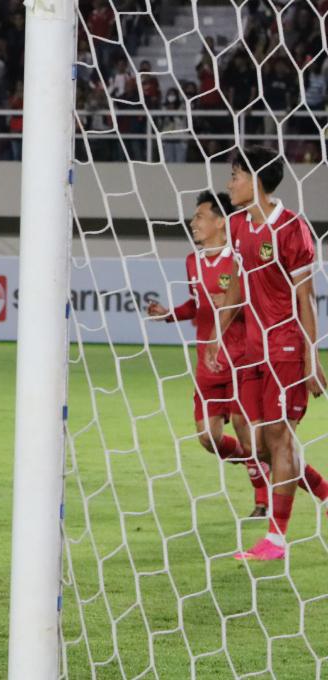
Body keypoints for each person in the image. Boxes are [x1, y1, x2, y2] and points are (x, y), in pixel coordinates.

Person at [216, 146, 328, 561]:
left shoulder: (292, 228)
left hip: (284, 347)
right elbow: (236, 285)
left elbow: (307, 297)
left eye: (236, 175)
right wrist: (218, 333)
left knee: (279, 440)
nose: (230, 184)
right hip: (251, 350)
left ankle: (275, 540)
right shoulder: (238, 227)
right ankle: (324, 491)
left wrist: (310, 356)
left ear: (256, 180)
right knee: (259, 445)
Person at [146, 192, 269, 517]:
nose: (193, 222)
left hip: (241, 360)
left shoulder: (239, 259)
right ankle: (257, 462)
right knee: (208, 437)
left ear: (220, 222)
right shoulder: (192, 261)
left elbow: (259, 306)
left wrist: (232, 305)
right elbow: (196, 304)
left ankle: (263, 498)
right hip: (207, 365)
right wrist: (168, 314)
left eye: (199, 216)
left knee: (245, 427)